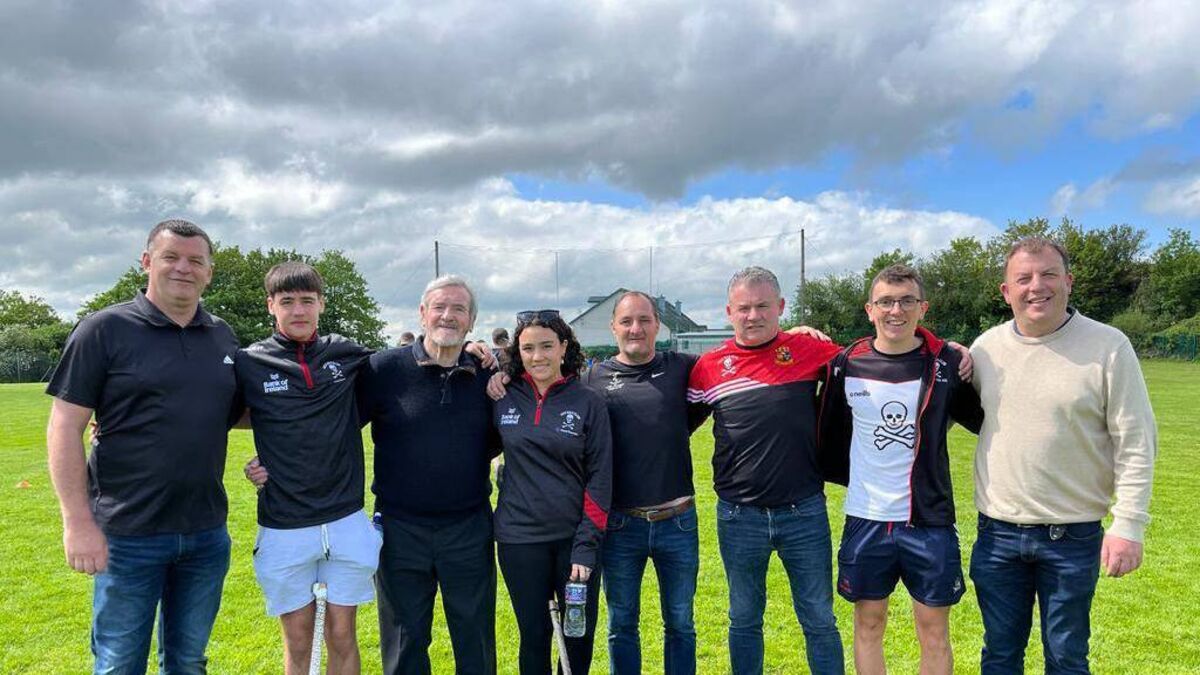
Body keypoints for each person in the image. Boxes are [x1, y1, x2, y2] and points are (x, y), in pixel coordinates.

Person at [45, 219, 240, 674]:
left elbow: (237, 411)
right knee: (119, 664)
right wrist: (77, 522)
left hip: (206, 532)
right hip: (127, 534)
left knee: (188, 662)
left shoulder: (222, 335)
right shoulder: (103, 329)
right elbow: (64, 427)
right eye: (171, 257)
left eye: (196, 261)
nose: (183, 268)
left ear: (209, 272)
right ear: (147, 262)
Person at [968, 237, 1157, 674]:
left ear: (1069, 282)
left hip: (1072, 536)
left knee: (1067, 659)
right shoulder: (985, 349)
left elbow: (1135, 440)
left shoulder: (1109, 346)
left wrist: (1129, 525)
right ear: (1006, 291)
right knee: (999, 656)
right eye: (1024, 278)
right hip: (997, 534)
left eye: (1049, 274)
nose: (1037, 286)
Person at [818, 264, 983, 675]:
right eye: (886, 302)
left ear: (923, 308)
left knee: (934, 632)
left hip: (929, 519)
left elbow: (986, 419)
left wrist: (972, 355)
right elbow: (826, 425)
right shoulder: (846, 363)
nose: (896, 310)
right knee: (869, 625)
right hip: (867, 517)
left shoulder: (946, 362)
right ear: (870, 309)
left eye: (907, 301)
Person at [686, 266, 846, 675]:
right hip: (739, 516)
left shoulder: (810, 350)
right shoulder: (708, 367)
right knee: (743, 617)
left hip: (804, 512)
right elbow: (672, 425)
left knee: (819, 617)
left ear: (781, 307)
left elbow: (876, 357)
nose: (753, 315)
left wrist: (943, 350)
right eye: (743, 308)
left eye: (762, 306)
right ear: (729, 312)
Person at [235, 262, 376, 675]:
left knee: (342, 635)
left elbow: (406, 370)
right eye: (287, 301)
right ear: (271, 305)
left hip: (346, 518)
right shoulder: (249, 361)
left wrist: (476, 352)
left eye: (307, 300)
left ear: (321, 304)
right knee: (298, 640)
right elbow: (214, 412)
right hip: (284, 524)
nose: (298, 310)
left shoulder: (346, 352)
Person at [358, 275, 501, 675]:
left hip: (469, 528)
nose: (447, 316)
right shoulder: (383, 369)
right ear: (422, 314)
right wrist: (277, 459)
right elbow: (335, 428)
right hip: (400, 530)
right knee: (404, 643)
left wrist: (496, 362)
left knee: (475, 640)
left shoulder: (488, 377)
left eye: (459, 309)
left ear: (471, 321)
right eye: (439, 307)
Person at [584, 292, 707, 675]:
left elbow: (740, 357)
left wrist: (796, 334)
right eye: (626, 321)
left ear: (658, 325)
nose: (635, 328)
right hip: (620, 524)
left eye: (644, 320)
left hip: (678, 520)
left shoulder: (684, 367)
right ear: (613, 327)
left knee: (681, 622)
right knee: (621, 624)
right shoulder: (593, 379)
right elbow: (539, 372)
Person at [493, 310, 612, 675]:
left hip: (573, 542)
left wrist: (586, 545)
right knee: (534, 635)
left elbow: (601, 477)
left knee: (577, 635)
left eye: (546, 346)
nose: (537, 356)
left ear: (563, 347)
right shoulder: (502, 395)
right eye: (528, 348)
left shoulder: (588, 401)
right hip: (518, 541)